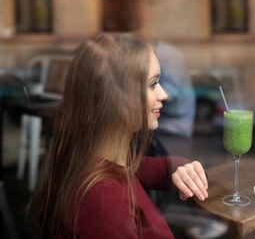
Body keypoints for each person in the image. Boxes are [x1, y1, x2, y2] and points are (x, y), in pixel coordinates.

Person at [29, 33, 209, 238]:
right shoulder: (101, 199)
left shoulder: (104, 161)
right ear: (116, 99)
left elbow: (156, 168)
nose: (164, 95)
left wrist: (184, 169)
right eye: (152, 84)